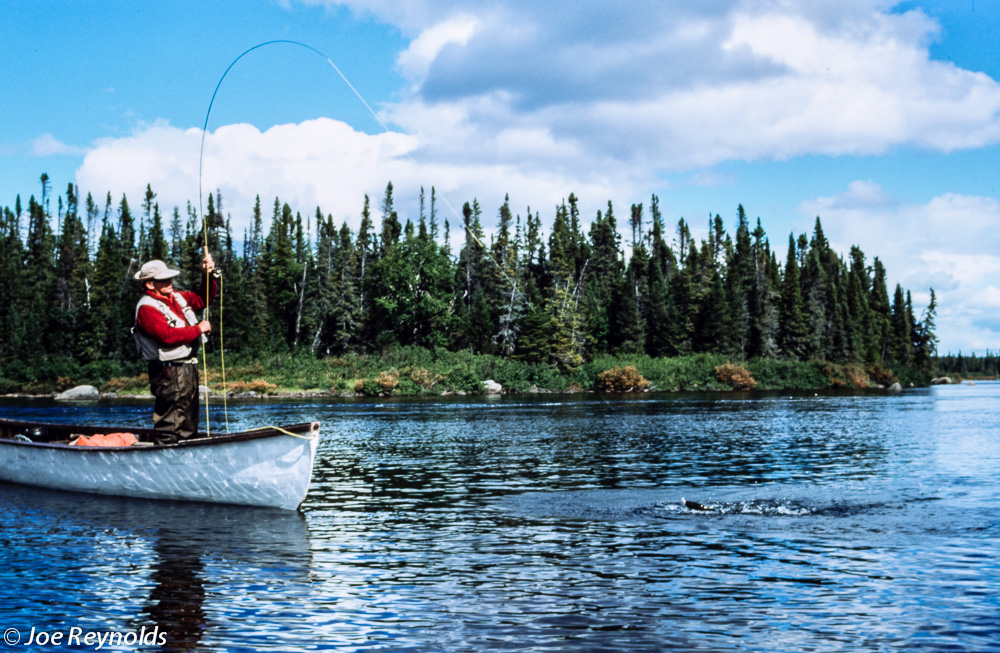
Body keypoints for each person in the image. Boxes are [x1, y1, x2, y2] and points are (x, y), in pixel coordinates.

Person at [133, 251, 218, 444]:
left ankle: (185, 460)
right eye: (164, 280)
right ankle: (165, 460)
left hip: (186, 367)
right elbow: (167, 337)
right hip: (168, 371)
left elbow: (202, 300)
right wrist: (199, 328)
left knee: (188, 420)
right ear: (150, 284)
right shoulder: (147, 308)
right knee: (169, 424)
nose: (170, 282)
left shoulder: (176, 297)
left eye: (169, 278)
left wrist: (207, 275)